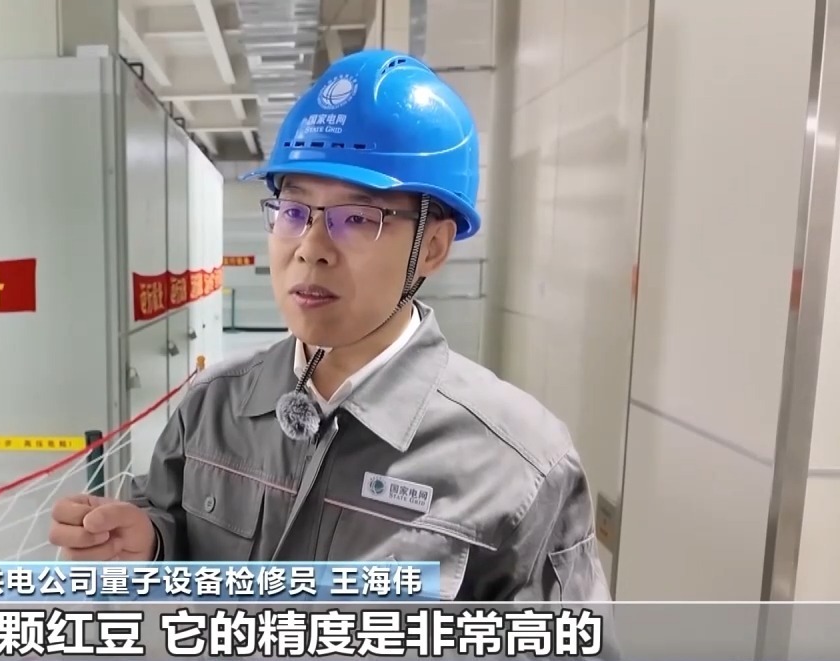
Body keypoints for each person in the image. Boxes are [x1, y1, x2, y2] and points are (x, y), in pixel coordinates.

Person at [48, 49, 614, 604]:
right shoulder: (213, 409)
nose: (311, 248)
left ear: (432, 247)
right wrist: (149, 548)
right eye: (294, 212)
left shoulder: (519, 467)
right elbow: (170, 525)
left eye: (358, 218)